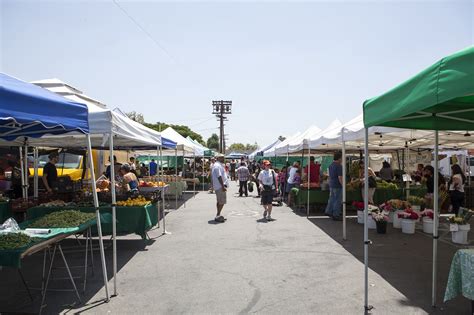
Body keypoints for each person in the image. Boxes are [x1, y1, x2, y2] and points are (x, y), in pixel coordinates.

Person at [325, 152, 343, 221]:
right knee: (337, 200)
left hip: (331, 184)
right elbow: (340, 177)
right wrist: (343, 185)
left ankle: (328, 211)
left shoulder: (331, 165)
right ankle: (336, 215)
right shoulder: (339, 166)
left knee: (331, 198)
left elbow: (329, 176)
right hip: (337, 185)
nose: (342, 159)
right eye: (341, 158)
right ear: (339, 158)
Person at [212, 155, 228, 222]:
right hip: (220, 186)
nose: (224, 159)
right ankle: (218, 215)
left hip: (219, 186)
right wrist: (222, 186)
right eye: (222, 158)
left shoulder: (219, 165)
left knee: (220, 201)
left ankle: (218, 215)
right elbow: (219, 176)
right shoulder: (217, 166)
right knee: (221, 202)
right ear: (218, 158)